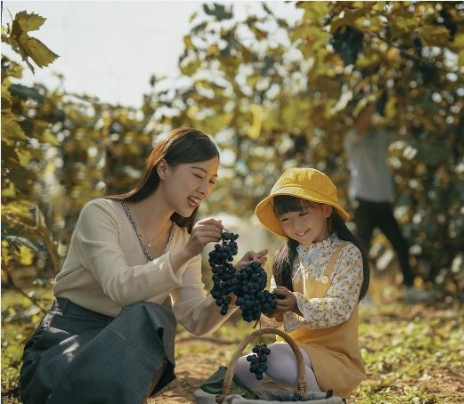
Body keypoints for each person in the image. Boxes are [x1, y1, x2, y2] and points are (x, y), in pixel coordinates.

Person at [19, 127, 268, 404]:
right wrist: (185, 253)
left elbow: (196, 319)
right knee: (149, 317)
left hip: (124, 359)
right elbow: (119, 288)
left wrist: (233, 285)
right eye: (198, 175)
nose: (204, 189)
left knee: (153, 322)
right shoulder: (102, 214)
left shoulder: (183, 241)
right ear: (163, 169)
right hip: (65, 350)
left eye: (211, 181)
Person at [233, 167, 370, 399]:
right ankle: (298, 396)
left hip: (333, 359)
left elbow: (340, 308)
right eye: (285, 219)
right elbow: (273, 323)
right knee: (241, 368)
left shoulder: (347, 253)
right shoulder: (286, 258)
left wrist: (297, 303)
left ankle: (326, 399)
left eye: (302, 214)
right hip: (292, 355)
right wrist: (264, 301)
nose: (295, 226)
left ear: (326, 209)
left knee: (275, 359)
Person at [344, 102, 420, 298]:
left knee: (400, 244)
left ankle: (409, 288)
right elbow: (362, 125)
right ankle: (361, 294)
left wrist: (406, 109)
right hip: (363, 201)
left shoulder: (380, 138)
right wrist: (373, 99)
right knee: (362, 249)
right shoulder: (353, 138)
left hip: (383, 201)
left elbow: (404, 135)